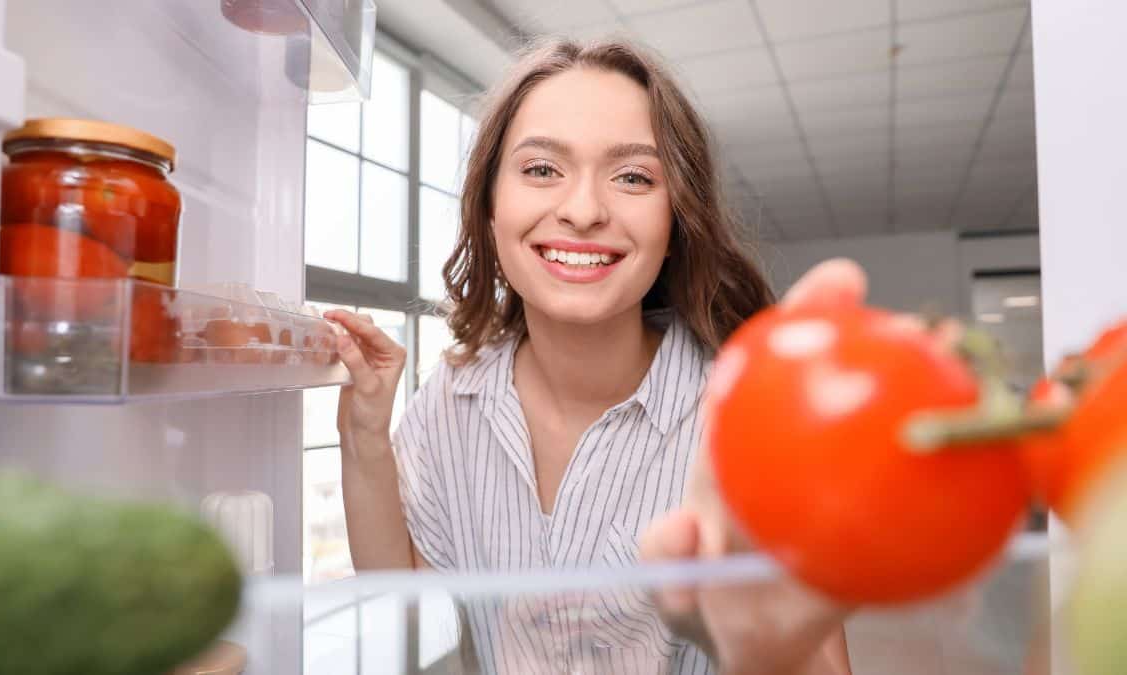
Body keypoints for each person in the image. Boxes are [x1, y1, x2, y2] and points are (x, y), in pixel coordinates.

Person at [326, 37, 851, 673]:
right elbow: (399, 594)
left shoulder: (749, 416)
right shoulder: (451, 400)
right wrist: (363, 434)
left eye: (633, 176)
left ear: (676, 221)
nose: (582, 211)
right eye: (542, 169)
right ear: (490, 207)